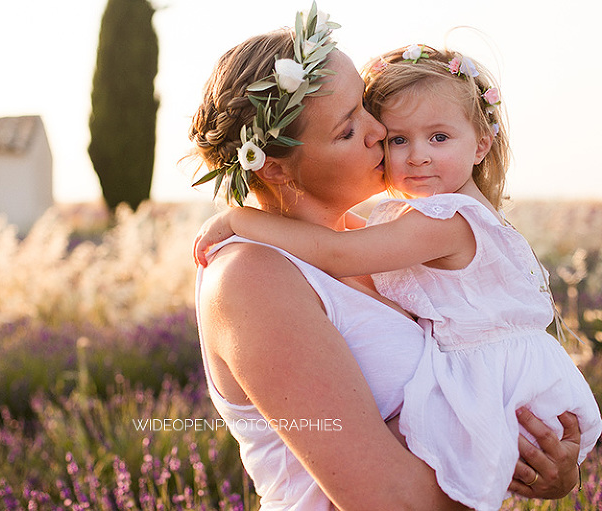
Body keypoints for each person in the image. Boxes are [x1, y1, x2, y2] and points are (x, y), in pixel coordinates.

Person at [193, 32, 602, 511]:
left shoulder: (382, 242)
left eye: (365, 106)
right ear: (277, 169)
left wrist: (544, 471)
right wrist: (502, 467)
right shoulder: (253, 277)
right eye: (347, 130)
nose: (379, 132)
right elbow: (389, 502)